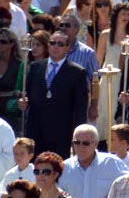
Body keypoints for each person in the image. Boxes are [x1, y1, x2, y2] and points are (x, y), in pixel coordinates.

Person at [20, 30, 91, 158]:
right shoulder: (36, 67)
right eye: (52, 43)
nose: (55, 46)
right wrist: (23, 102)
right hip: (35, 132)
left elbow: (80, 109)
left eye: (60, 44)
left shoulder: (77, 72)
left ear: (67, 48)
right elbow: (28, 95)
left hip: (60, 135)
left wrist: (78, 137)